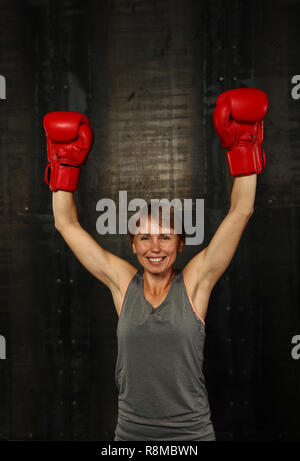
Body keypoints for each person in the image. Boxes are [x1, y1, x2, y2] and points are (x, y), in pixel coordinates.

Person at [43, 88, 268, 441]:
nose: (155, 247)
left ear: (180, 244)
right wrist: (64, 165)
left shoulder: (195, 283)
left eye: (165, 237)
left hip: (191, 437)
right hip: (130, 437)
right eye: (145, 238)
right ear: (133, 245)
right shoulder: (123, 284)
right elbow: (65, 224)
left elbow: (241, 211)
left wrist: (245, 145)